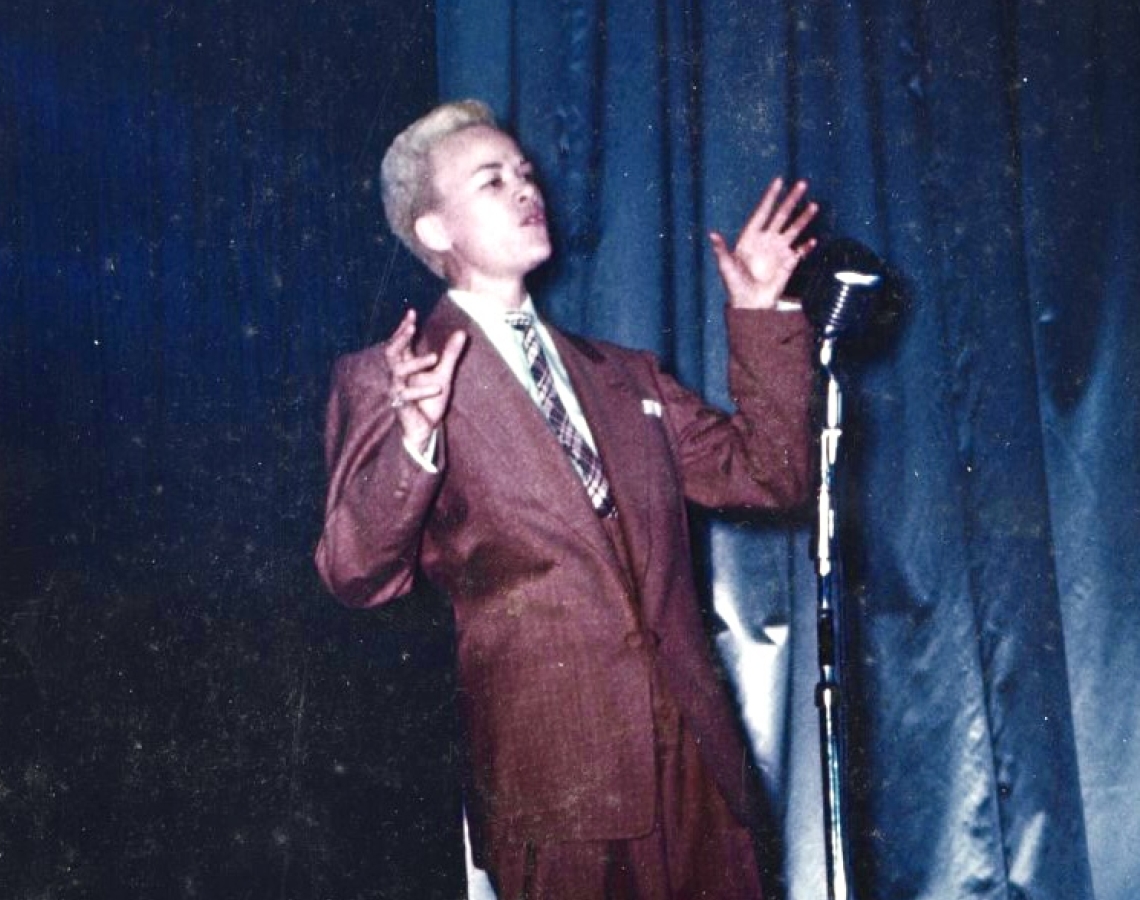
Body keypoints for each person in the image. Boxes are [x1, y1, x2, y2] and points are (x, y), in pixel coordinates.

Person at [314, 99, 818, 899]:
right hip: (558, 784)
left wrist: (758, 315)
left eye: (524, 172)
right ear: (435, 231)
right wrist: (417, 437)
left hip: (697, 770)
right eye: (491, 180)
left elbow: (774, 475)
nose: (525, 188)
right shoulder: (391, 377)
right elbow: (355, 571)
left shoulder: (625, 375)